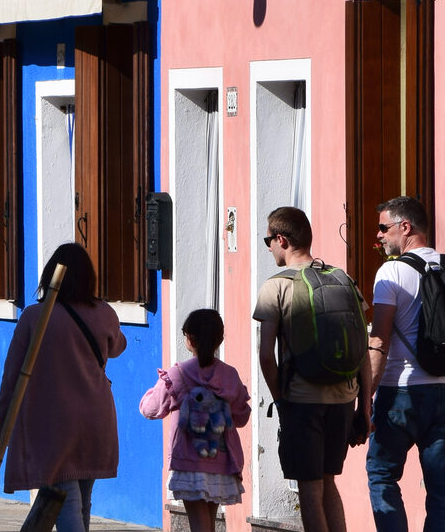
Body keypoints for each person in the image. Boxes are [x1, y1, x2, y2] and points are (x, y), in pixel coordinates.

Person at [254, 206, 372, 532]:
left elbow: (266, 355)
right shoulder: (343, 280)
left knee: (309, 486)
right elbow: (362, 348)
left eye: (269, 240)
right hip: (344, 400)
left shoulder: (275, 287)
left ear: (282, 239)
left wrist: (281, 400)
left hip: (302, 400)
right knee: (328, 482)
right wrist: (365, 407)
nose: (268, 248)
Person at [0, 243, 127, 532]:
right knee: (83, 498)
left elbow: (11, 377)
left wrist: (3, 420)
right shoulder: (104, 313)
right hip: (96, 418)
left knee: (65, 499)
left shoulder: (34, 317)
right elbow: (118, 346)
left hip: (54, 424)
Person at [366, 195, 445, 532]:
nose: (379, 236)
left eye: (384, 228)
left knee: (382, 473)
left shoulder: (393, 271)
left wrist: (363, 398)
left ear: (405, 227)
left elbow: (379, 340)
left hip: (400, 392)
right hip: (442, 393)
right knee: (442, 490)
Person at [140, 308, 251, 532]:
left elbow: (151, 410)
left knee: (199, 524)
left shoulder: (179, 374)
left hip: (190, 461)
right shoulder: (229, 376)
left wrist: (148, 396)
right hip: (221, 460)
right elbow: (241, 417)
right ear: (219, 339)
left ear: (189, 339)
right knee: (209, 520)